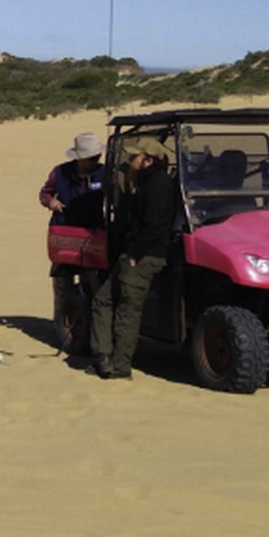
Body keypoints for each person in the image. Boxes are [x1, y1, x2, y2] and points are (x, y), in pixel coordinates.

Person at [87, 137, 176, 380]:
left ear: (148, 160)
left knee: (128, 311)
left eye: (134, 156)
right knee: (103, 299)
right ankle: (103, 357)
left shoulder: (159, 185)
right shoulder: (147, 181)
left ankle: (119, 366)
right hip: (136, 253)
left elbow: (154, 227)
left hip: (145, 256)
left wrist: (136, 255)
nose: (129, 160)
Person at [40, 132, 106, 350]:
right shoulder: (60, 172)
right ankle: (62, 329)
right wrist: (51, 203)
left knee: (93, 283)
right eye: (91, 158)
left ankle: (92, 330)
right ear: (79, 157)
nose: (95, 161)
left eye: (96, 157)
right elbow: (45, 193)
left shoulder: (106, 173)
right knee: (62, 285)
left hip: (94, 235)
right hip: (64, 236)